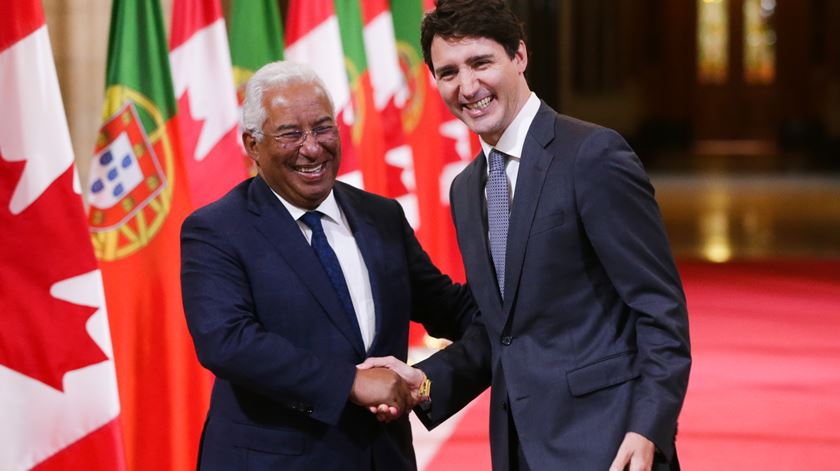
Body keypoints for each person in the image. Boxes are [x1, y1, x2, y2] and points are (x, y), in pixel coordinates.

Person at [360, 1, 691, 470]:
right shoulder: (466, 187)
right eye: (448, 72)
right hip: (519, 450)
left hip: (613, 444)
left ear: (519, 56)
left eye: (481, 63)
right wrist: (421, 382)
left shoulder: (592, 155)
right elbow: (501, 331)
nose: (467, 86)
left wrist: (649, 428)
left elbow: (660, 310)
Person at [180, 60, 476, 471]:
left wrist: (430, 378)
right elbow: (227, 341)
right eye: (290, 134)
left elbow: (451, 308)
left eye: (322, 127)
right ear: (253, 145)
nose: (313, 147)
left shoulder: (381, 216)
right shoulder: (216, 229)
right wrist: (350, 383)